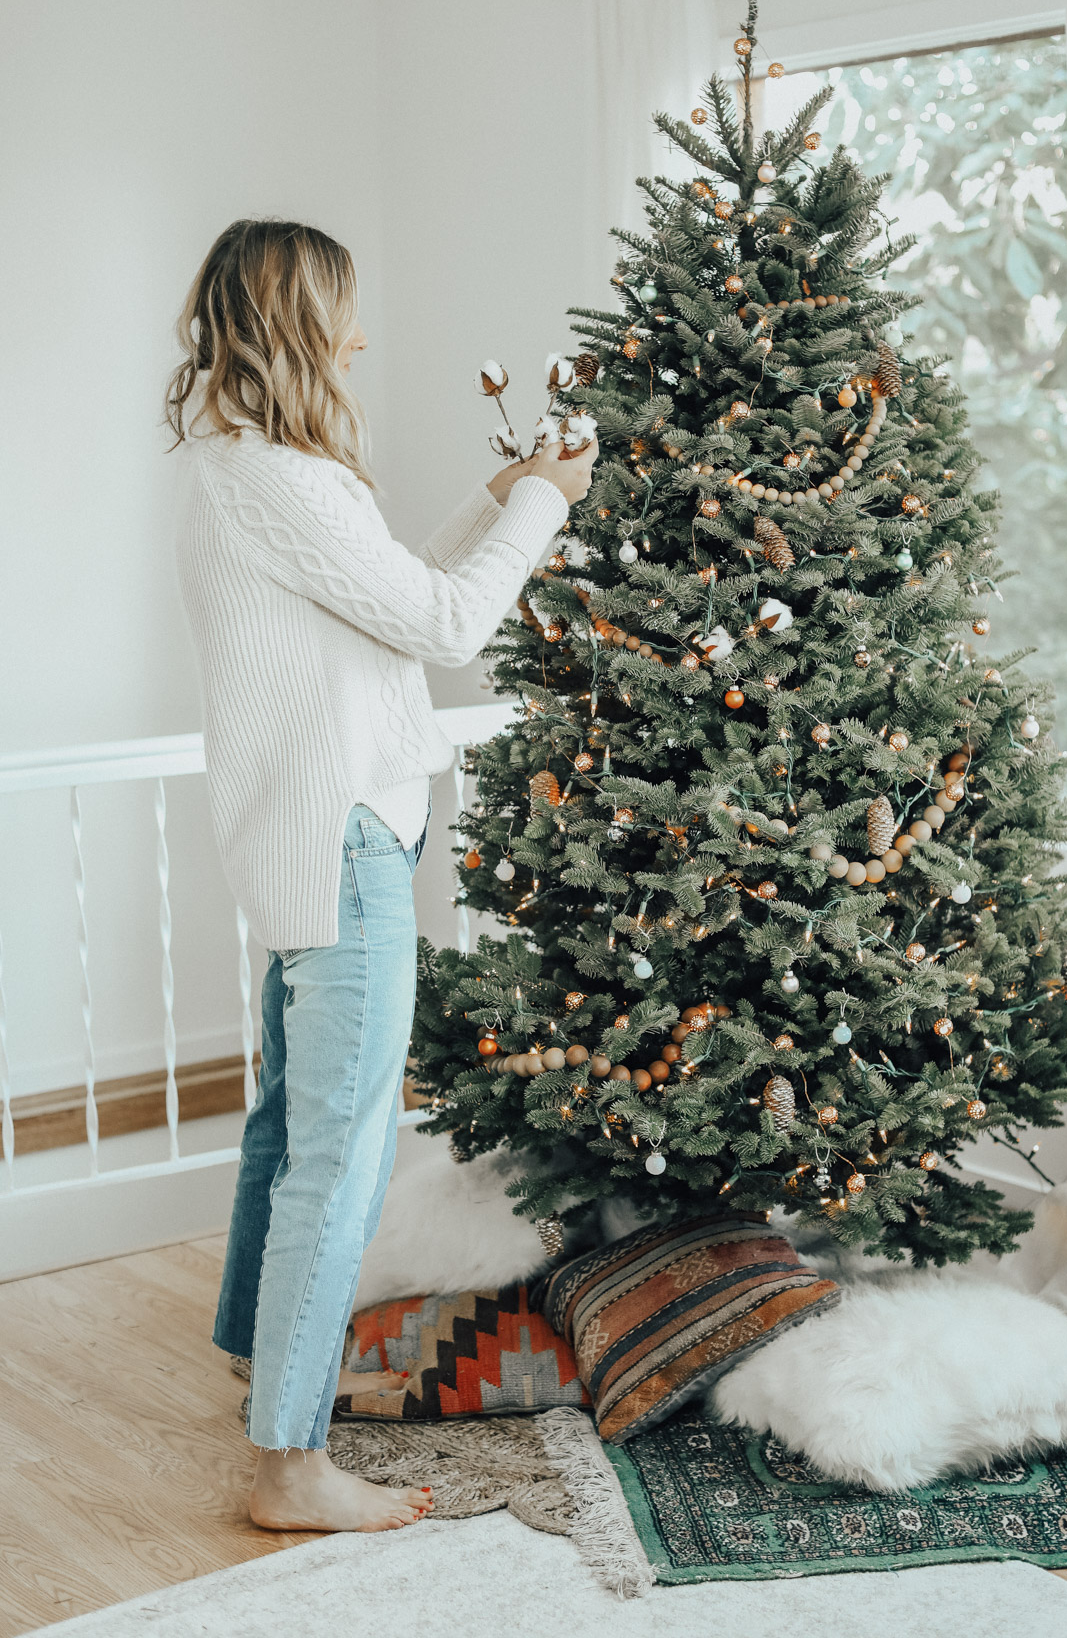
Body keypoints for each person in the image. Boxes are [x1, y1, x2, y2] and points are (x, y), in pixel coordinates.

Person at [168, 218, 596, 1532]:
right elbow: (449, 621)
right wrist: (547, 506)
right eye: (343, 312)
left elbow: (397, 587)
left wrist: (505, 489)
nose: (362, 336)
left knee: (286, 1113)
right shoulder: (280, 482)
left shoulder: (249, 469)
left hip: (329, 828)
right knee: (339, 1150)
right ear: (299, 322)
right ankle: (289, 1466)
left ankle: (259, 1357)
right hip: (340, 831)